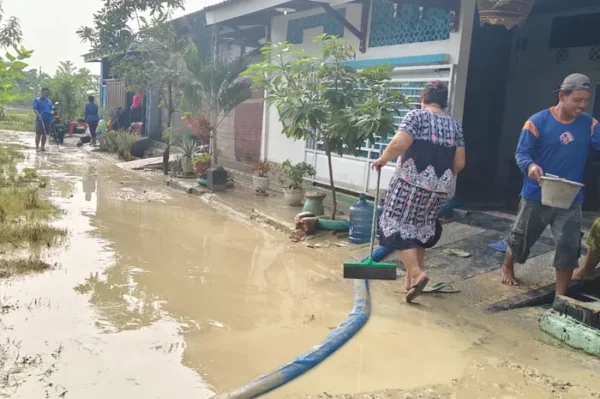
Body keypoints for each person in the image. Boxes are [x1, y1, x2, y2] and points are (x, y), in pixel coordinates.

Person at [501, 73, 600, 297]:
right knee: (521, 238)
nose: (582, 105)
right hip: (537, 193)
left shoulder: (589, 124)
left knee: (568, 245)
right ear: (562, 96)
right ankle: (508, 264)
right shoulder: (537, 122)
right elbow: (521, 153)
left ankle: (560, 297)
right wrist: (530, 167)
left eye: (586, 100)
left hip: (571, 197)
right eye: (578, 100)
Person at [372, 81, 466, 303]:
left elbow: (399, 144)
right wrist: (439, 180)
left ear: (423, 99)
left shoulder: (417, 116)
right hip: (441, 188)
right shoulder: (455, 126)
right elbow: (460, 163)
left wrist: (383, 159)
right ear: (444, 102)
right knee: (420, 228)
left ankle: (415, 273)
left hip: (410, 184)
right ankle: (410, 282)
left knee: (395, 225)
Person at [32, 88, 52, 152]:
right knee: (38, 133)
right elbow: (35, 109)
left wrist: (52, 113)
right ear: (42, 93)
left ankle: (42, 147)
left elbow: (51, 110)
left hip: (48, 120)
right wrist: (38, 115)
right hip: (39, 119)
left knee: (45, 134)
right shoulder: (37, 100)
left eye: (47, 93)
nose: (46, 94)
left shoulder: (49, 101)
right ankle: (37, 147)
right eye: (45, 93)